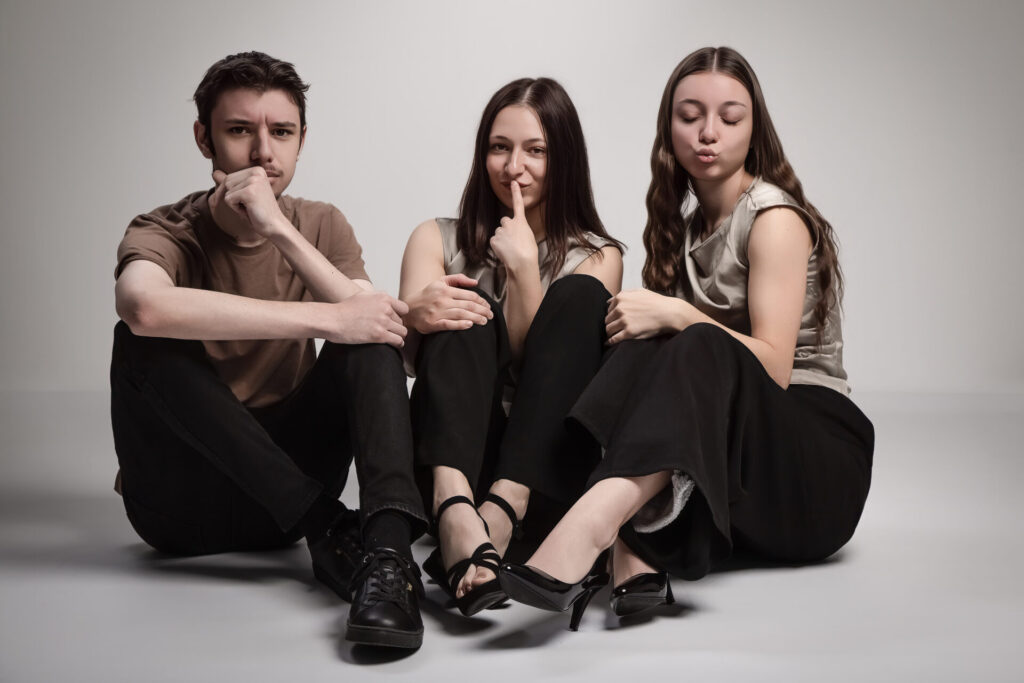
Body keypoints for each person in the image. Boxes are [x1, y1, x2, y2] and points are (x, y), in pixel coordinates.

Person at [498, 47, 875, 631]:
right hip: (739, 471)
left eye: (730, 118)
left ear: (756, 130)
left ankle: (596, 524)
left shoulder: (773, 217)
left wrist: (677, 313)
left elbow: (773, 370)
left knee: (689, 336)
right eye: (690, 115)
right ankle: (634, 552)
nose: (708, 133)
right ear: (667, 128)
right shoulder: (687, 226)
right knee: (637, 335)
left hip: (813, 468)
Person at [110, 51, 428, 649]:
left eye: (281, 133)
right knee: (140, 340)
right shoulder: (165, 229)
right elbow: (143, 307)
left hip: (289, 498)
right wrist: (329, 318)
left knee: (369, 332)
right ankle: (331, 525)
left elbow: (381, 329)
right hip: (183, 507)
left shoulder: (319, 224)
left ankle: (385, 558)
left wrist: (278, 229)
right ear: (204, 139)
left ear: (301, 139)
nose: (263, 153)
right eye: (239, 131)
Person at [398, 78, 623, 615]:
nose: (513, 166)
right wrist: (416, 315)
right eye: (499, 148)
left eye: (535, 150)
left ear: (564, 158)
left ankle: (501, 511)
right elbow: (407, 360)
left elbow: (542, 375)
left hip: (543, 472)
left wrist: (524, 270)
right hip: (450, 457)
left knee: (577, 297)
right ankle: (454, 511)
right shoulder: (435, 237)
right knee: (465, 303)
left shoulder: (599, 256)